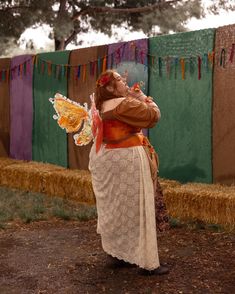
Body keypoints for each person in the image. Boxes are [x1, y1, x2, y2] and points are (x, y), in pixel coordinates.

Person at [89, 69, 169, 275]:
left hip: (106, 157)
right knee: (139, 205)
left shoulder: (101, 104)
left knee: (118, 208)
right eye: (118, 80)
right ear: (109, 88)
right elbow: (154, 116)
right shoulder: (125, 104)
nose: (124, 81)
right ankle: (147, 262)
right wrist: (142, 97)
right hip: (126, 157)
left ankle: (117, 253)